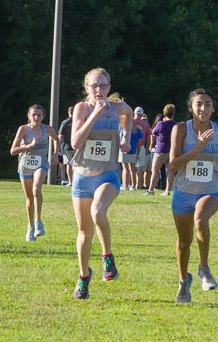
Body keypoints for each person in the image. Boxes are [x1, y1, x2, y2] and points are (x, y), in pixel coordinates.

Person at [168, 88, 218, 303]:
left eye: (208, 104)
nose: (203, 108)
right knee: (184, 242)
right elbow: (173, 165)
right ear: (191, 107)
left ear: (214, 108)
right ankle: (184, 281)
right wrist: (199, 147)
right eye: (199, 104)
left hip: (210, 189)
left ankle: (204, 268)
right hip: (183, 192)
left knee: (201, 219)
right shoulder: (180, 130)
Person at [69, 68, 131, 299]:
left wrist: (125, 137)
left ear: (109, 87)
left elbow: (129, 113)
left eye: (103, 86)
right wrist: (94, 115)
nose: (99, 90)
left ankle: (107, 257)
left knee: (98, 211)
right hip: (82, 178)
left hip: (107, 175)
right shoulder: (82, 109)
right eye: (94, 86)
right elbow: (75, 142)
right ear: (86, 88)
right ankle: (84, 276)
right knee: (84, 234)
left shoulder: (117, 108)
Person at [10, 104, 57, 242]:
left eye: (39, 115)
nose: (36, 117)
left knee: (37, 188)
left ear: (43, 116)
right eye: (33, 115)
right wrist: (29, 146)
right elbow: (13, 150)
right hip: (25, 166)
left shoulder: (47, 129)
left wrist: (55, 153)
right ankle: (30, 226)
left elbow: (56, 139)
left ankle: (38, 222)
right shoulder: (24, 130)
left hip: (41, 165)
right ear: (29, 116)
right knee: (29, 197)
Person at [147, 104, 177, 196]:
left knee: (155, 170)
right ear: (173, 113)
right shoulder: (176, 124)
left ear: (164, 113)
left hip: (161, 149)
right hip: (172, 150)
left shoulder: (161, 124)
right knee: (170, 171)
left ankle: (151, 190)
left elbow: (153, 132)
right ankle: (167, 191)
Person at [132, 107, 151, 190]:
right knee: (139, 167)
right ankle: (138, 185)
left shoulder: (131, 122)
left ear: (134, 113)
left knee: (130, 167)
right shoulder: (146, 124)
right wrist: (147, 149)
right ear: (142, 114)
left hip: (131, 146)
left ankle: (130, 185)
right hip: (142, 147)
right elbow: (148, 138)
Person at [57, 106, 74, 186]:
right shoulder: (80, 121)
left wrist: (57, 148)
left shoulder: (65, 123)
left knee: (68, 165)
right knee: (77, 164)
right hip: (78, 146)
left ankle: (71, 182)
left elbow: (60, 136)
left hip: (67, 147)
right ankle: (76, 182)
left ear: (68, 112)